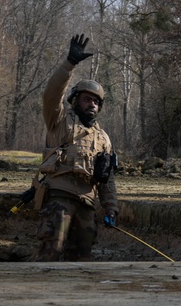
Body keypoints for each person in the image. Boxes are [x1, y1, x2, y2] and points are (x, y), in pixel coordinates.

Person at [32, 34, 119, 261]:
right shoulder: (60, 121)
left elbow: (107, 179)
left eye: (96, 101)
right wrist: (69, 63)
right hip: (59, 199)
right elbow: (51, 94)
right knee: (48, 258)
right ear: (75, 101)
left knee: (82, 262)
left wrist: (111, 208)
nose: (92, 104)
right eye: (87, 99)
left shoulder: (103, 138)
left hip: (87, 205)